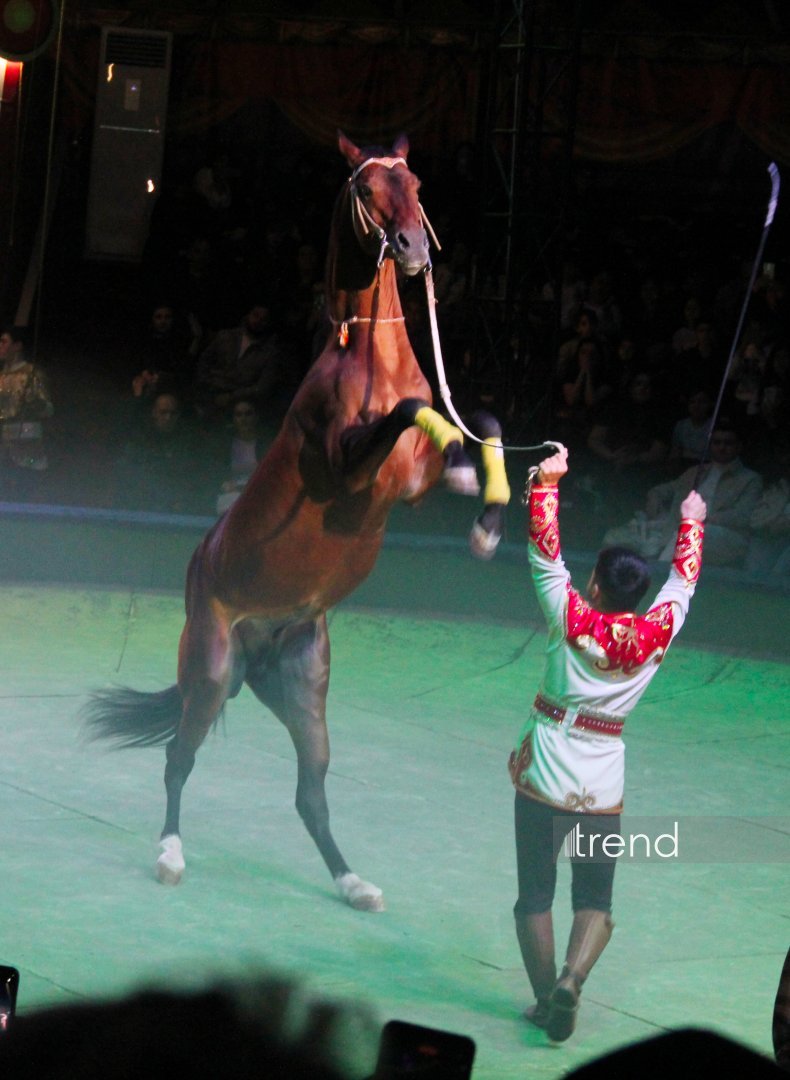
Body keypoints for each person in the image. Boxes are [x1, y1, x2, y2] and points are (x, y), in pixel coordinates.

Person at [512, 443, 706, 1042]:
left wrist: (548, 481)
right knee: (594, 894)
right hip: (602, 782)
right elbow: (685, 582)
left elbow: (546, 554)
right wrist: (693, 523)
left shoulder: (569, 616)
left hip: (545, 769)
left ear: (593, 584)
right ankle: (573, 978)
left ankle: (547, 1000)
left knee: (534, 897)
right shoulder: (658, 631)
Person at [602, 419, 761, 567]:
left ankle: (660, 576)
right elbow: (666, 489)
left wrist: (700, 517)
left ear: (738, 446)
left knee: (689, 533)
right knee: (615, 537)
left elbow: (743, 516)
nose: (722, 447)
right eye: (717, 442)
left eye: (728, 443)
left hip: (724, 536)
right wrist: (655, 496)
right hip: (675, 528)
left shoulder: (750, 479)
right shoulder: (697, 472)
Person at [0, 326, 54, 499]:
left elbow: (48, 409)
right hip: (4, 443)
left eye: (3, 342)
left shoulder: (32, 373)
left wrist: (35, 404)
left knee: (25, 492)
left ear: (17, 346)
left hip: (27, 443)